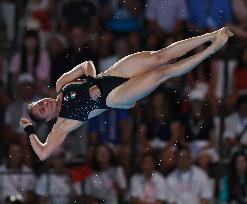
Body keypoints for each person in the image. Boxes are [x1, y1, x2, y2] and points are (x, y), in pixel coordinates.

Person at [20, 27, 233, 161]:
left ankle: (214, 34)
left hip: (113, 73)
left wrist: (92, 82)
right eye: (42, 109)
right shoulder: (62, 125)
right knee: (163, 72)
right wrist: (30, 130)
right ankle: (210, 50)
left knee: (161, 56)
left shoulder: (61, 85)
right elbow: (43, 154)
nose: (44, 103)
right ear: (47, 118)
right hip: (115, 96)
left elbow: (86, 64)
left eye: (40, 102)